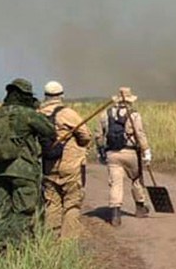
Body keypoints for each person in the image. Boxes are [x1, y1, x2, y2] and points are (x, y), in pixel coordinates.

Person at [0, 78, 56, 246]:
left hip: (0, 171)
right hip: (24, 171)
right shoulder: (26, 114)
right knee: (22, 211)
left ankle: (0, 246)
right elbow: (50, 131)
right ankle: (15, 249)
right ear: (26, 96)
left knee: (0, 210)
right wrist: (37, 110)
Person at [38, 80, 93, 239]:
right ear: (61, 95)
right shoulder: (68, 113)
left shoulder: (38, 114)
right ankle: (68, 243)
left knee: (51, 203)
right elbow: (85, 136)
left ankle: (50, 240)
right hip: (70, 165)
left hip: (48, 166)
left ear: (45, 95)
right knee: (72, 203)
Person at [95, 86, 152, 226]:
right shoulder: (134, 115)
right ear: (130, 100)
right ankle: (140, 207)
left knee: (116, 183)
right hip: (130, 153)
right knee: (136, 179)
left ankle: (115, 214)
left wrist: (101, 151)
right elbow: (140, 134)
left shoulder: (105, 114)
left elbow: (98, 135)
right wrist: (146, 151)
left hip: (112, 154)